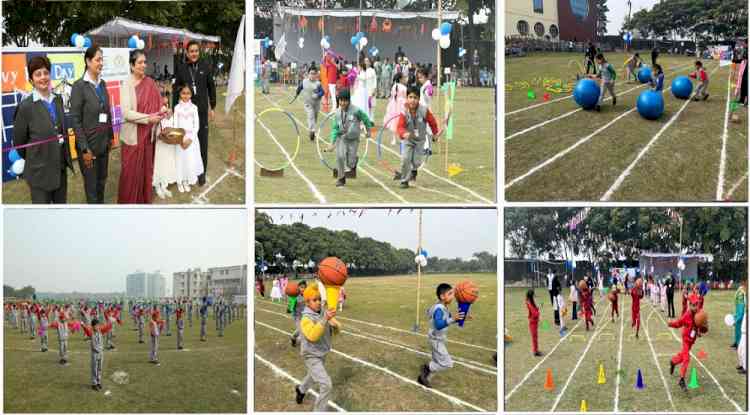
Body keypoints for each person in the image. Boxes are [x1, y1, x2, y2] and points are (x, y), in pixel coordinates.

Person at [12, 56, 74, 203]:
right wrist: (38, 158)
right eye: (38, 74)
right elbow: (20, 144)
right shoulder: (25, 107)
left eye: (46, 73)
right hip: (39, 174)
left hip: (60, 170)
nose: (43, 77)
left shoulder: (58, 100)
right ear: (31, 79)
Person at [70, 45, 114, 203]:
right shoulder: (79, 86)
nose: (101, 63)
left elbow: (106, 112)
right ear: (88, 61)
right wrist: (84, 148)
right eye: (97, 59)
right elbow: (75, 119)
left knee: (102, 182)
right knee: (92, 188)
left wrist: (110, 137)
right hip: (88, 148)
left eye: (102, 59)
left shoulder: (102, 84)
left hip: (103, 145)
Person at [119, 49, 163, 204]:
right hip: (133, 137)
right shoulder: (126, 84)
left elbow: (158, 104)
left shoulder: (150, 82)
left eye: (145, 62)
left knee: (145, 170)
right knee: (130, 174)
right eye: (140, 62)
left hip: (148, 137)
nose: (144, 65)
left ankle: (144, 200)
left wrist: (164, 111)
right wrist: (148, 119)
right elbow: (126, 113)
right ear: (132, 65)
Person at [173, 40, 216, 186]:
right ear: (187, 53)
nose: (194, 53)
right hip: (186, 112)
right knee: (186, 141)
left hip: (202, 112)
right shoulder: (182, 68)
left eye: (196, 51)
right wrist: (174, 109)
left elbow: (211, 87)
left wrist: (213, 107)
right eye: (191, 51)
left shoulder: (205, 66)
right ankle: (187, 172)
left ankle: (201, 173)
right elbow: (176, 88)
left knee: (202, 142)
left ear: (199, 52)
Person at [294, 284, 338, 411]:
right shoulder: (305, 319)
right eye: (315, 300)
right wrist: (325, 320)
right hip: (311, 355)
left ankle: (301, 389)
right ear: (307, 303)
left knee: (313, 376)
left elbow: (334, 328)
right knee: (326, 385)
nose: (318, 302)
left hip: (321, 352)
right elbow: (313, 335)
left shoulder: (323, 312)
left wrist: (335, 326)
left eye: (319, 299)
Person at [418, 283, 466, 387]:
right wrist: (453, 318)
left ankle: (424, 378)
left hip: (437, 338)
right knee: (447, 364)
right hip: (436, 340)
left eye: (452, 293)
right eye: (450, 294)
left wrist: (460, 318)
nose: (452, 296)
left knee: (437, 360)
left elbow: (447, 321)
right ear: (442, 296)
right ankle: (427, 367)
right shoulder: (439, 308)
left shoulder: (443, 307)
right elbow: (439, 324)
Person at [393, 86, 440, 189]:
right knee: (405, 159)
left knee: (416, 162)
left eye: (415, 97)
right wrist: (403, 133)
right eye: (410, 97)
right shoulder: (404, 111)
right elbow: (399, 127)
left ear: (419, 99)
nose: (412, 100)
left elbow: (432, 122)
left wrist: (435, 133)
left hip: (420, 140)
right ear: (407, 98)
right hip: (408, 140)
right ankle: (404, 181)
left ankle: (414, 170)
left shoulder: (424, 110)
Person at [327, 89, 373, 187]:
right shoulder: (337, 113)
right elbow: (335, 129)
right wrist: (332, 143)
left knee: (351, 163)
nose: (342, 103)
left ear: (349, 100)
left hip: (353, 139)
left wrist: (368, 131)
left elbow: (365, 119)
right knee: (340, 156)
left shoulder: (356, 111)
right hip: (342, 138)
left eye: (345, 100)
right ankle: (341, 178)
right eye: (341, 100)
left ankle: (353, 162)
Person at [668, 293, 707, 392]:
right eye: (693, 305)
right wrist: (670, 323)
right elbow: (678, 323)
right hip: (686, 339)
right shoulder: (687, 315)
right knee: (686, 358)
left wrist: (701, 329)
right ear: (690, 305)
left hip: (691, 341)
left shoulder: (699, 313)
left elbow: (700, 326)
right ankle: (681, 379)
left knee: (682, 356)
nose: (695, 307)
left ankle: (673, 361)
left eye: (696, 304)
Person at [173, 84, 204, 192]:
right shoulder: (176, 108)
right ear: (180, 94)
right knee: (180, 159)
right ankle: (180, 180)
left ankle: (186, 179)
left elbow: (197, 125)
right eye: (183, 93)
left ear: (191, 94)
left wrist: (190, 139)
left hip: (191, 139)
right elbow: (175, 125)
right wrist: (180, 139)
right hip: (180, 138)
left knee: (189, 159)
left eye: (188, 93)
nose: (186, 96)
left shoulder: (194, 108)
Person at [153, 90, 177, 199]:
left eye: (166, 96)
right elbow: (153, 128)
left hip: (168, 143)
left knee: (167, 163)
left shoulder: (170, 110)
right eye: (162, 96)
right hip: (159, 143)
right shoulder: (155, 110)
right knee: (159, 163)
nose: (165, 99)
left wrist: (170, 116)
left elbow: (173, 125)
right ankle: (157, 186)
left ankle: (164, 185)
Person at [81, 318, 112, 391]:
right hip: (95, 353)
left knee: (99, 368)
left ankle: (98, 382)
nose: (97, 327)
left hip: (101, 353)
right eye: (96, 326)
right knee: (94, 369)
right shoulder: (91, 333)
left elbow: (106, 327)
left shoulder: (100, 332)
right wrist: (82, 325)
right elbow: (87, 330)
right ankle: (94, 383)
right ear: (92, 326)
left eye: (98, 325)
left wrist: (111, 322)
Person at [295, 67, 325, 141]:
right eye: (311, 73)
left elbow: (322, 92)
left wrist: (318, 95)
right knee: (310, 115)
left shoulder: (318, 83)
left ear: (316, 75)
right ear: (308, 74)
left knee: (314, 118)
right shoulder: (304, 81)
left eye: (314, 74)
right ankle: (312, 130)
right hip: (308, 103)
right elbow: (300, 87)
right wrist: (297, 93)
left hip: (316, 104)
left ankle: (312, 129)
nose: (312, 75)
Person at [384, 73, 408, 146]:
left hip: (394, 104)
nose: (405, 79)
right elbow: (406, 96)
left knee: (394, 121)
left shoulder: (394, 86)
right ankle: (401, 138)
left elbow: (392, 95)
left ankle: (394, 139)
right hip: (401, 104)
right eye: (404, 78)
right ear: (400, 79)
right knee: (401, 120)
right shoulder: (403, 87)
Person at [290, 280, 307, 347]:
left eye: (304, 287)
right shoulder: (295, 296)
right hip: (297, 317)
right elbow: (289, 309)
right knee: (303, 332)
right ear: (298, 288)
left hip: (305, 316)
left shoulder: (307, 294)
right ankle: (300, 342)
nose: (303, 289)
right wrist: (291, 302)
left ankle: (293, 337)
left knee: (299, 330)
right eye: (301, 287)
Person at [526, 289, 542, 356]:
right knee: (534, 337)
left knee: (535, 336)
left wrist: (539, 307)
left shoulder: (531, 301)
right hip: (532, 321)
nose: (534, 296)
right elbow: (534, 313)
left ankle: (536, 350)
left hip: (535, 321)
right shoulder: (529, 302)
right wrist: (538, 315)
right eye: (533, 295)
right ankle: (535, 351)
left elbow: (535, 309)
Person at [732, 279, 746, 349]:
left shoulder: (744, 291)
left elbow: (741, 314)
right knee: (736, 329)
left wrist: (736, 320)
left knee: (740, 329)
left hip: (741, 307)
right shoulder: (740, 289)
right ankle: (736, 342)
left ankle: (738, 344)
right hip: (738, 307)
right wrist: (735, 316)